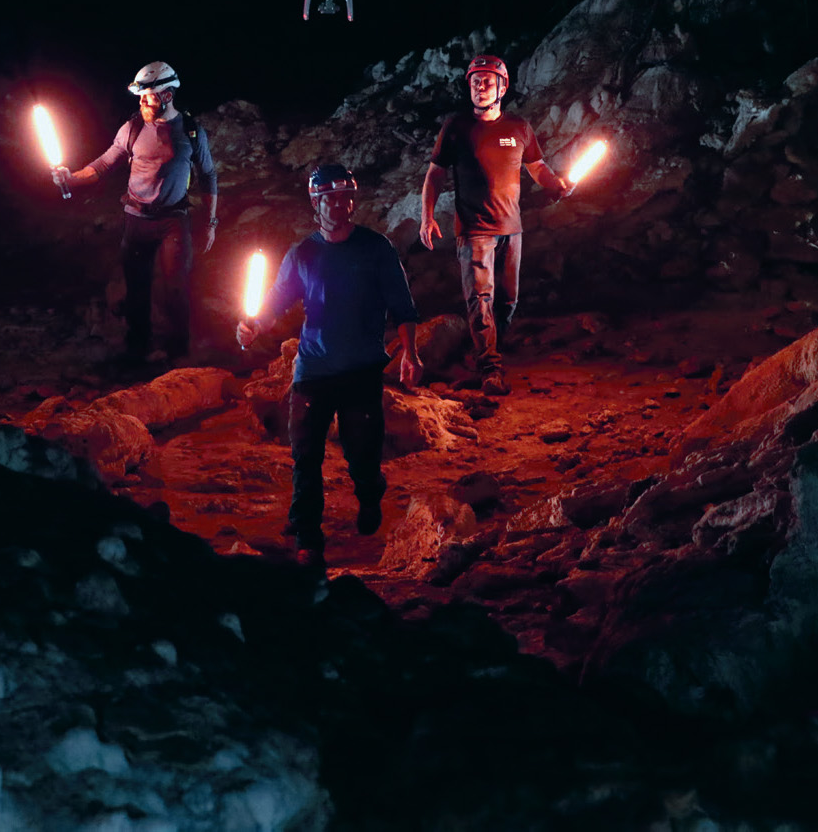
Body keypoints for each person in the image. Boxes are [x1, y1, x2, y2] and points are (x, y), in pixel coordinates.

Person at [236, 164, 422, 569]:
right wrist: (253, 326)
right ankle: (308, 538)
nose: (339, 205)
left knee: (362, 455)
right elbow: (276, 303)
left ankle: (370, 493)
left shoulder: (376, 249)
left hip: (361, 371)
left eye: (345, 197)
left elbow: (403, 307)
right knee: (305, 456)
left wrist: (410, 352)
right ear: (315, 202)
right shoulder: (303, 253)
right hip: (314, 370)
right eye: (330, 198)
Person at [418, 54, 572, 397]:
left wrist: (558, 183)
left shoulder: (519, 127)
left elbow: (538, 168)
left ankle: (486, 354)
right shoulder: (456, 127)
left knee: (507, 301)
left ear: (502, 87)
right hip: (474, 231)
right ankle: (490, 369)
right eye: (475, 81)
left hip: (511, 229)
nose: (480, 87)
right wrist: (427, 216)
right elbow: (435, 175)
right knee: (481, 300)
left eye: (487, 81)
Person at [54, 61, 218, 364]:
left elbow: (208, 175)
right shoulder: (132, 128)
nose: (142, 101)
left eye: (149, 96)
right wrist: (72, 178)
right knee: (137, 287)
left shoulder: (192, 132)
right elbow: (104, 164)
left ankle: (177, 354)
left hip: (173, 220)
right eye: (141, 96)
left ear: (168, 96)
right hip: (137, 219)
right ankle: (137, 348)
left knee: (176, 289)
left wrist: (210, 222)